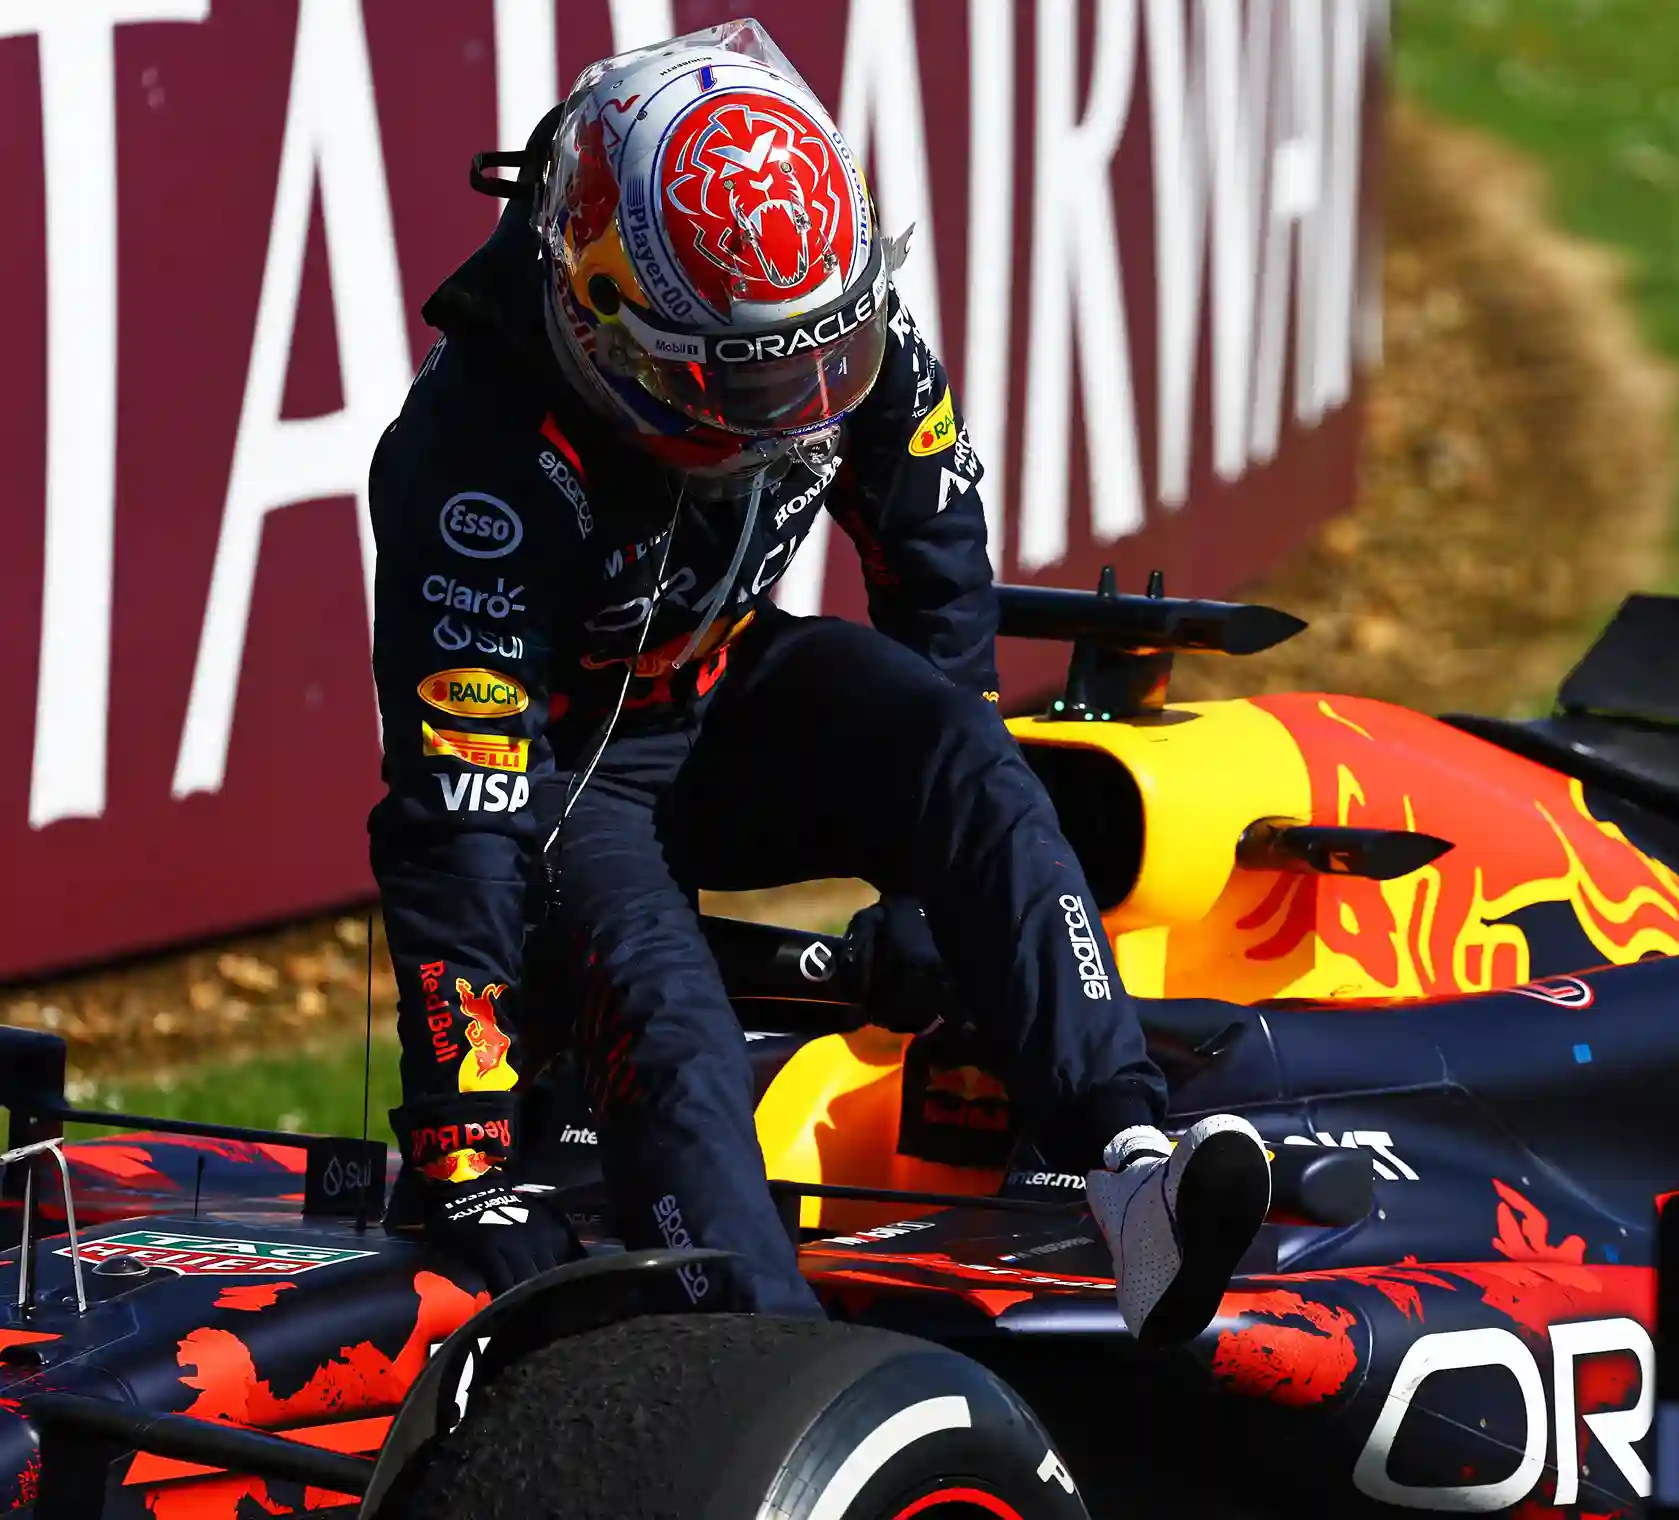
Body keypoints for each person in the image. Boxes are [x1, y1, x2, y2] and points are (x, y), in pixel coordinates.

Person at [365, 19, 1268, 1345]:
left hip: (733, 699)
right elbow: (461, 823)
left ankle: (1129, 1164)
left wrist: (923, 888)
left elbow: (933, 565)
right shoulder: (475, 459)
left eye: (818, 358)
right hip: (566, 780)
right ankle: (767, 1369)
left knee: (964, 752)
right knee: (668, 1024)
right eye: (743, 374)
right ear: (601, 310)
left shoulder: (821, 319)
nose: (797, 402)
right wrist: (465, 1168)